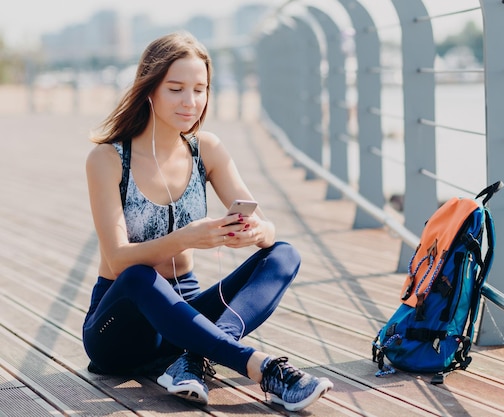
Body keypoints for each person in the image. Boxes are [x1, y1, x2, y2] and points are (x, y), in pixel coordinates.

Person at [82, 31, 333, 412]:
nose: (191, 102)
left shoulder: (206, 150)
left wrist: (255, 230)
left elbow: (267, 231)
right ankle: (260, 368)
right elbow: (118, 260)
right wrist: (188, 238)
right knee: (137, 275)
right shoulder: (109, 159)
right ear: (149, 89)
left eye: (200, 89)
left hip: (186, 314)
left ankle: (196, 355)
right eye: (177, 89)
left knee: (283, 254)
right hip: (119, 330)